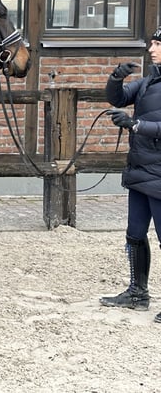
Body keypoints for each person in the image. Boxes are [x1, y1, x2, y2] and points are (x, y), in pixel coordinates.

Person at [102, 27, 161, 323]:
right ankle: (137, 293)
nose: (151, 49)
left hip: (160, 176)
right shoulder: (149, 81)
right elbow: (119, 98)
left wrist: (134, 125)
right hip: (139, 171)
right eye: (151, 42)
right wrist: (116, 77)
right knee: (135, 235)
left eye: (157, 43)